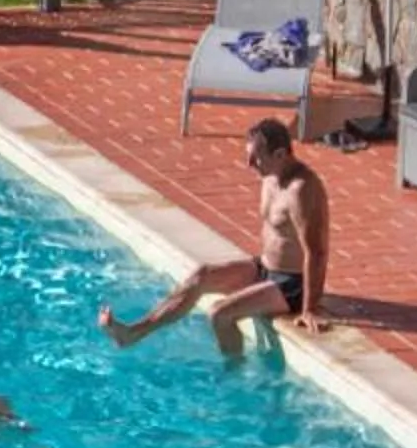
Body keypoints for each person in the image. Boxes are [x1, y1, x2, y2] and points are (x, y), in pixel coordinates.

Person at [100, 118, 332, 357]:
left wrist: (310, 309)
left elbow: (317, 252)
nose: (249, 164)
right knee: (200, 276)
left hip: (291, 284)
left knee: (220, 314)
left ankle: (235, 372)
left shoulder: (302, 190)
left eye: (256, 158)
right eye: (249, 156)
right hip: (265, 268)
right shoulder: (270, 176)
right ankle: (133, 333)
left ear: (280, 154)